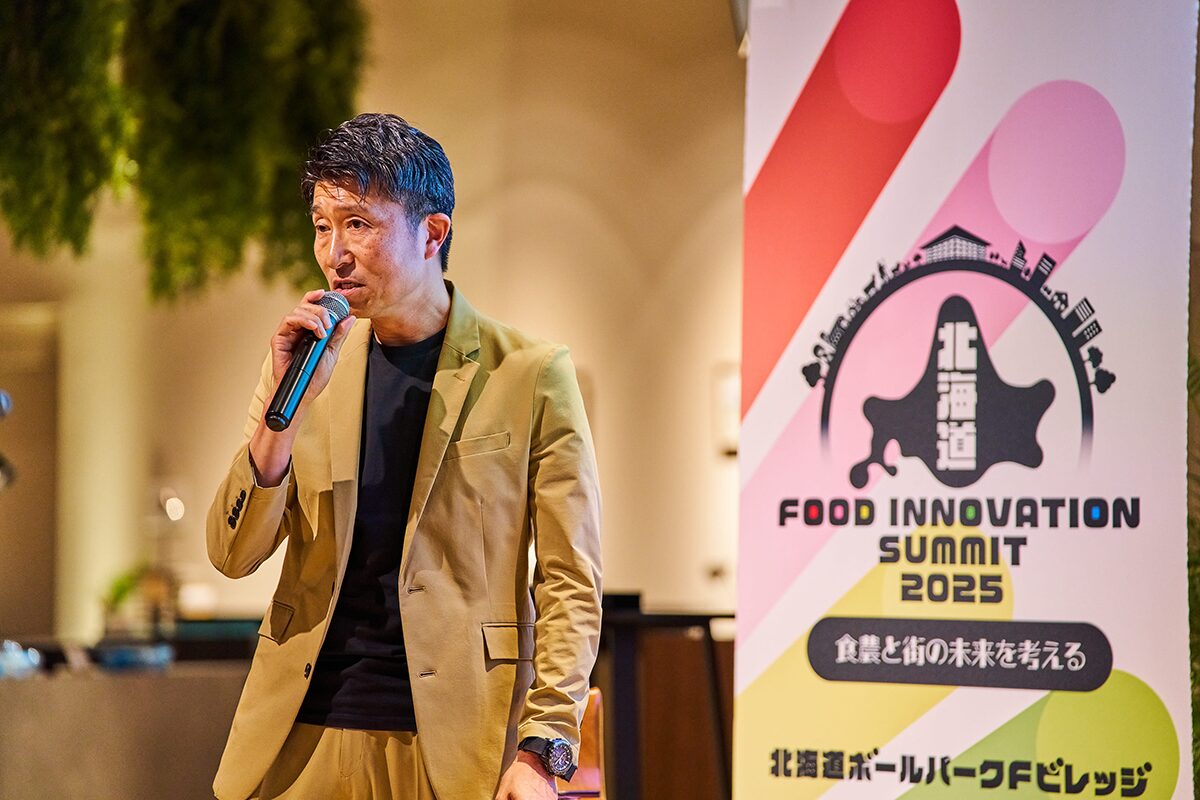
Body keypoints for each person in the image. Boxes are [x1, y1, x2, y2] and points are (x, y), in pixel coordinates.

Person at [206, 113, 602, 800]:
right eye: (322, 226)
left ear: (432, 233)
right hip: (301, 739)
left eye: (358, 223)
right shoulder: (303, 369)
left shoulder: (530, 374)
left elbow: (570, 580)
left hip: (453, 746)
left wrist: (545, 749)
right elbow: (232, 553)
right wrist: (281, 420)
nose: (334, 253)